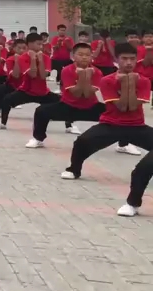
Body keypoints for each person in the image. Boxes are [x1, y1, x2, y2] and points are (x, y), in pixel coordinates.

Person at [62, 43, 153, 187]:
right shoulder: (107, 80)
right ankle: (74, 169)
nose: (128, 62)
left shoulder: (144, 81)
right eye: (124, 58)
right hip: (111, 124)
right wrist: (126, 83)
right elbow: (122, 107)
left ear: (136, 60)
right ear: (116, 60)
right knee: (81, 142)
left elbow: (133, 106)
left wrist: (129, 83)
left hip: (136, 126)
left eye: (132, 59)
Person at [0, 33, 59, 130]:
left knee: (63, 102)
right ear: (29, 45)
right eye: (38, 44)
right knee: (6, 100)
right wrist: (32, 59)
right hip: (26, 91)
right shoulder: (22, 58)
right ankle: (2, 123)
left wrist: (40, 60)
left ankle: (70, 126)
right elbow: (32, 75)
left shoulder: (46, 58)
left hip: (42, 92)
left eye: (41, 44)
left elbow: (43, 76)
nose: (40, 47)